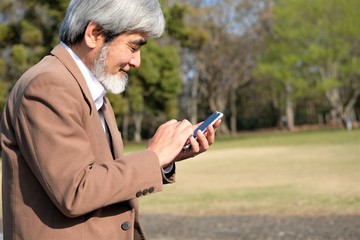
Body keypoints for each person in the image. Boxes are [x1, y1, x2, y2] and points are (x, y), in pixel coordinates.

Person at [0, 0, 221, 239]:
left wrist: (165, 158)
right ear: (94, 34)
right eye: (133, 47)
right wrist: (153, 157)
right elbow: (75, 191)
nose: (137, 62)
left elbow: (103, 179)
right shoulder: (47, 86)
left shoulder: (93, 92)